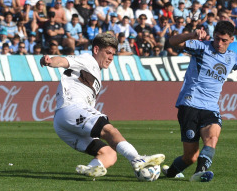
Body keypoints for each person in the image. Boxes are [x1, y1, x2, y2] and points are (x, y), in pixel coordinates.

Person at [39, 33, 165, 179]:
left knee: (109, 155)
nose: (111, 57)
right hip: (71, 108)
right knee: (109, 130)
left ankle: (91, 168)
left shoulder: (95, 71)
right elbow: (63, 61)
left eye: (113, 54)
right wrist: (50, 61)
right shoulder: (87, 59)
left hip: (62, 125)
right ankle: (136, 158)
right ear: (96, 50)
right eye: (108, 53)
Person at [162, 21, 237, 182]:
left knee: (212, 138)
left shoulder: (231, 57)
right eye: (216, 39)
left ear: (231, 40)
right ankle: (171, 172)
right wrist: (193, 35)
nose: (219, 43)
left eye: (224, 40)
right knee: (190, 157)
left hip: (211, 108)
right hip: (190, 105)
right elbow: (172, 42)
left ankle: (199, 173)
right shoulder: (201, 47)